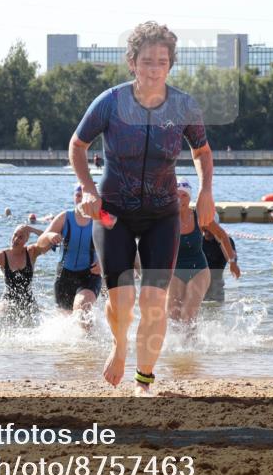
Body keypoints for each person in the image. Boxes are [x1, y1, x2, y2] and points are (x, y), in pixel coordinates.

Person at [68, 21, 214, 396]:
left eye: (162, 61)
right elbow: (77, 146)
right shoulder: (111, 102)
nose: (154, 69)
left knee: (153, 302)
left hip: (162, 215)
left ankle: (144, 381)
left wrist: (205, 192)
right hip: (113, 214)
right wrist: (88, 189)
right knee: (122, 301)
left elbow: (201, 151)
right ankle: (119, 347)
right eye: (147, 61)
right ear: (132, 62)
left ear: (170, 65)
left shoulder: (183, 105)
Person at [37, 184, 103, 332]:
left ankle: (90, 343)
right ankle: (78, 347)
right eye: (78, 196)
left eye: (84, 196)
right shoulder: (65, 217)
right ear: (74, 197)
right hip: (64, 276)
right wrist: (49, 236)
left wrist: (103, 264)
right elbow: (40, 243)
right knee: (66, 325)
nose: (81, 199)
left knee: (82, 308)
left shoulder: (99, 220)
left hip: (90, 274)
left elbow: (115, 247)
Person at [0, 224, 49, 322]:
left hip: (29, 302)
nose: (16, 239)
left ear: (26, 240)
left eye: (20, 237)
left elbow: (50, 241)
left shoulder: (31, 252)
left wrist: (31, 229)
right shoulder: (2, 256)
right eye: (15, 235)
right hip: (8, 302)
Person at [166, 178, 211, 334]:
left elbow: (222, 236)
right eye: (176, 195)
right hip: (175, 270)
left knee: (188, 315)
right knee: (172, 316)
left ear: (190, 197)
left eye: (184, 195)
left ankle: (192, 347)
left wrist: (232, 260)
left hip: (198, 269)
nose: (180, 199)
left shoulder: (199, 216)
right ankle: (176, 348)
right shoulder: (165, 220)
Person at [202, 222, 240, 302]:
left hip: (217, 284)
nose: (207, 234)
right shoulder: (199, 241)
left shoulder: (227, 241)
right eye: (205, 230)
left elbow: (230, 260)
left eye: (210, 231)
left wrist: (220, 242)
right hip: (201, 284)